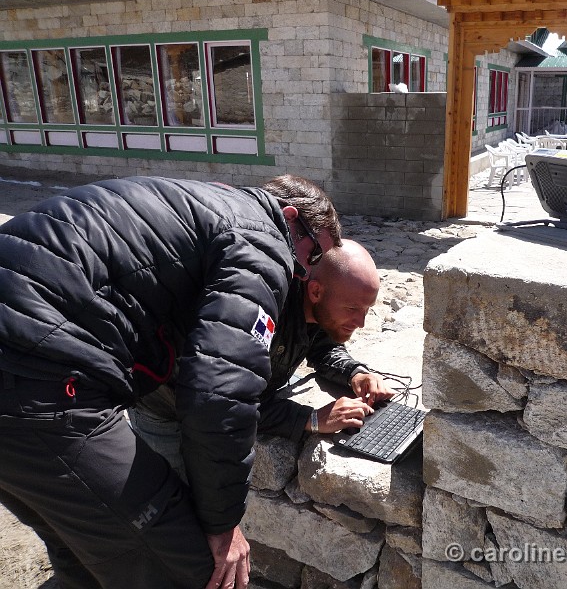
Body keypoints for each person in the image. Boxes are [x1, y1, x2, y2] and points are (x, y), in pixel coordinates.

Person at [0, 174, 342, 589]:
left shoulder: (205, 206)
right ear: (289, 218)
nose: (306, 273)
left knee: (81, 554)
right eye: (314, 255)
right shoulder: (262, 239)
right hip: (36, 376)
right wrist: (222, 524)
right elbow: (221, 391)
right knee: (190, 566)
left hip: (27, 356)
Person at [129, 239, 396, 480]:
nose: (361, 322)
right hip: (165, 405)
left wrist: (355, 373)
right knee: (171, 497)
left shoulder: (314, 303)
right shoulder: (261, 311)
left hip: (217, 391)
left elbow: (322, 346)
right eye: (352, 309)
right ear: (315, 291)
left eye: (367, 309)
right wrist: (311, 419)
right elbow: (230, 401)